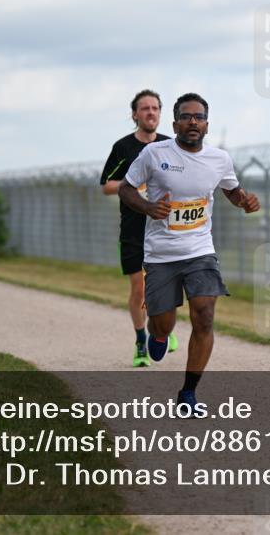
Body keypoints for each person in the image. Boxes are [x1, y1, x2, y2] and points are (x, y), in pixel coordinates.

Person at [119, 92, 260, 411]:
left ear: (206, 125)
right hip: (161, 256)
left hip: (200, 251)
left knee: (204, 314)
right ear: (175, 123)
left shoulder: (219, 159)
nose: (192, 122)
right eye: (186, 116)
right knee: (162, 325)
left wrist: (245, 202)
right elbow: (127, 188)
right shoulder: (154, 154)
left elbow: (232, 190)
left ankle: (188, 394)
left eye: (198, 117)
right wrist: (148, 207)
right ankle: (156, 335)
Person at [100, 89, 177, 367]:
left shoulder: (171, 145)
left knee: (167, 284)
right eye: (144, 108)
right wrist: (135, 187)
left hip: (165, 229)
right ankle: (140, 339)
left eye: (155, 108)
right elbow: (106, 185)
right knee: (140, 289)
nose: (150, 112)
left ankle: (163, 329)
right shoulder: (123, 147)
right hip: (133, 229)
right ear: (135, 114)